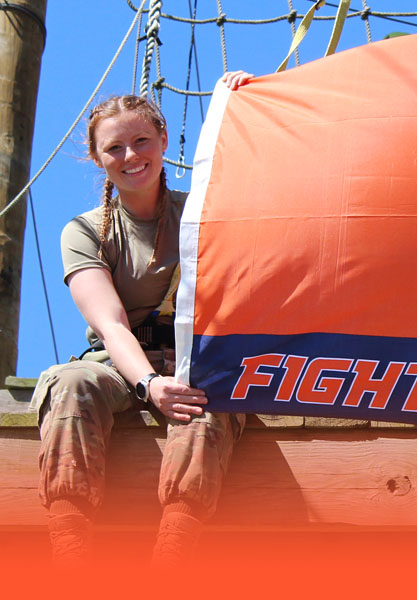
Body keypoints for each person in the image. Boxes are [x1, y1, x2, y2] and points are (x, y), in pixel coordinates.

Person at [31, 71, 253, 566]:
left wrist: (245, 103)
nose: (131, 157)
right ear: (97, 158)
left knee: (207, 397)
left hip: (188, 358)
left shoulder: (201, 214)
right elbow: (111, 325)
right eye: (114, 148)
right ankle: (69, 554)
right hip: (119, 361)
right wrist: (151, 384)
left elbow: (260, 189)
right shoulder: (84, 232)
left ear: (164, 142)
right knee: (68, 382)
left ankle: (173, 556)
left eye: (141, 141)